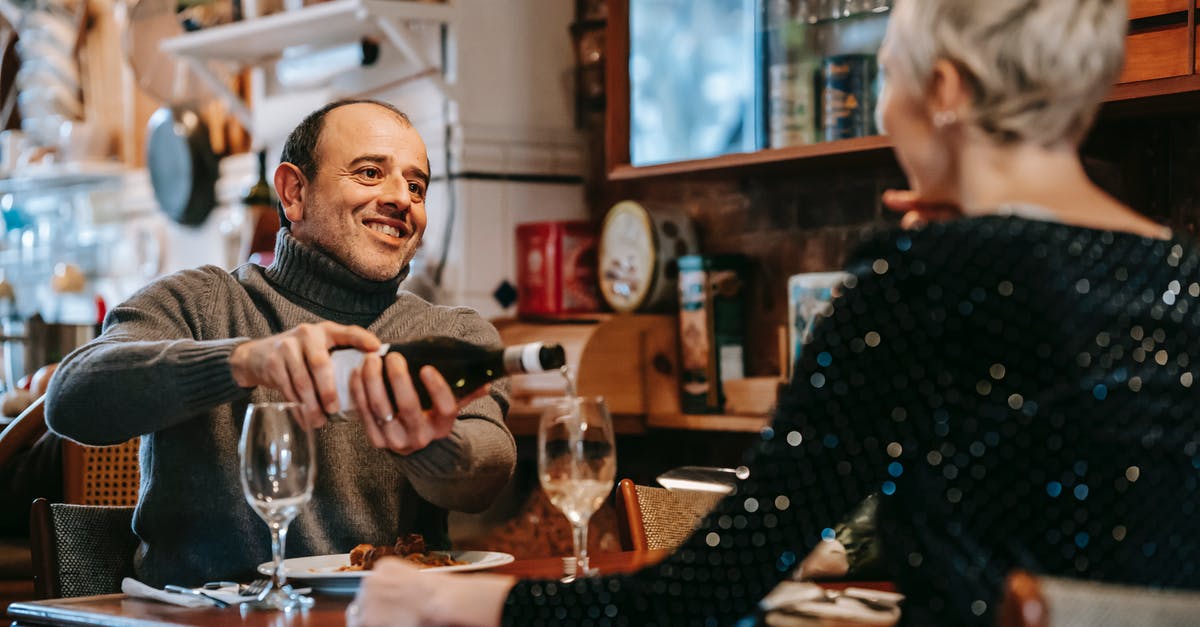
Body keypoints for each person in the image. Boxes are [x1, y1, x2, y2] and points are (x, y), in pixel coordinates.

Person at [347, 1, 1200, 625]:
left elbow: (706, 594)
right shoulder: (1180, 277)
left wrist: (444, 597)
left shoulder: (920, 281)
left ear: (944, 88)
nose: (885, 106)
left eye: (890, 77)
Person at [44, 99, 517, 587]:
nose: (402, 198)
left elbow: (487, 475)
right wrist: (243, 360)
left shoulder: (455, 334)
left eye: (417, 186)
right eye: (371, 173)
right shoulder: (200, 303)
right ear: (294, 192)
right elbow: (71, 399)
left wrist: (429, 443)